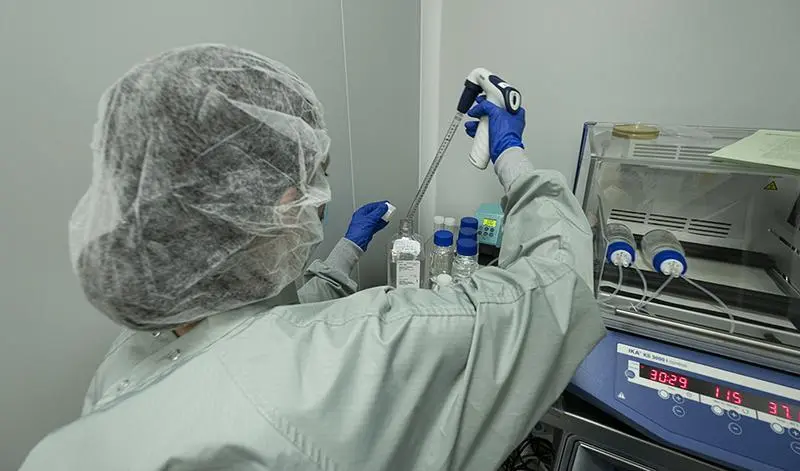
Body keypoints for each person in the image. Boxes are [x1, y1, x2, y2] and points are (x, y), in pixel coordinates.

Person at [20, 44, 605, 470]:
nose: (320, 198)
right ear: (278, 204)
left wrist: (348, 249)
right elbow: (555, 286)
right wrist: (512, 155)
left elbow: (259, 331)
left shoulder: (121, 370)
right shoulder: (371, 346)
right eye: (315, 179)